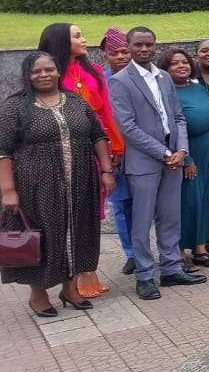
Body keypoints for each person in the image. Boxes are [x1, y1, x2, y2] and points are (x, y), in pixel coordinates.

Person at [1, 52, 114, 316]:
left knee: (78, 233)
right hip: (35, 188)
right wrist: (8, 190)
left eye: (49, 69)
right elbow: (3, 151)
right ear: (27, 75)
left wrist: (106, 170)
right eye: (36, 71)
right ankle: (38, 295)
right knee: (42, 237)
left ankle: (70, 289)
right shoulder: (15, 106)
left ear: (58, 71)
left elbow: (98, 135)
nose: (43, 75)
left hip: (80, 183)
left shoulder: (75, 101)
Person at [109, 27, 207, 300]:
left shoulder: (163, 77)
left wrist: (182, 149)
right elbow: (128, 127)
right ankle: (144, 276)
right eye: (138, 45)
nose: (144, 49)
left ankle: (171, 269)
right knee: (141, 222)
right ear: (129, 46)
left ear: (155, 46)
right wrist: (164, 152)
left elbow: (178, 117)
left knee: (170, 217)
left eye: (149, 44)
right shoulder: (120, 81)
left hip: (173, 158)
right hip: (145, 162)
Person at [36, 23, 126, 297]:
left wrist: (116, 145)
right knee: (65, 212)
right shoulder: (49, 74)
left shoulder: (93, 70)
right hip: (62, 151)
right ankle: (68, 276)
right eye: (77, 36)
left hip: (96, 145)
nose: (84, 39)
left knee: (90, 210)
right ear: (61, 41)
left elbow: (106, 110)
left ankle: (87, 271)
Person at [156, 49, 209, 273]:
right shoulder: (165, 92)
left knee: (206, 199)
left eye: (184, 62)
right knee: (188, 202)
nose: (181, 66)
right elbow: (171, 128)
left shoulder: (197, 87)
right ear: (165, 69)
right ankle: (179, 252)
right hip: (189, 155)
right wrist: (186, 158)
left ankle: (200, 248)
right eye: (174, 63)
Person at [97, 28, 137, 273]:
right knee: (122, 206)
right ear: (105, 56)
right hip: (115, 155)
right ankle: (131, 253)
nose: (121, 57)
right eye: (115, 53)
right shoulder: (99, 83)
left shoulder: (144, 77)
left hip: (144, 152)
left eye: (124, 51)